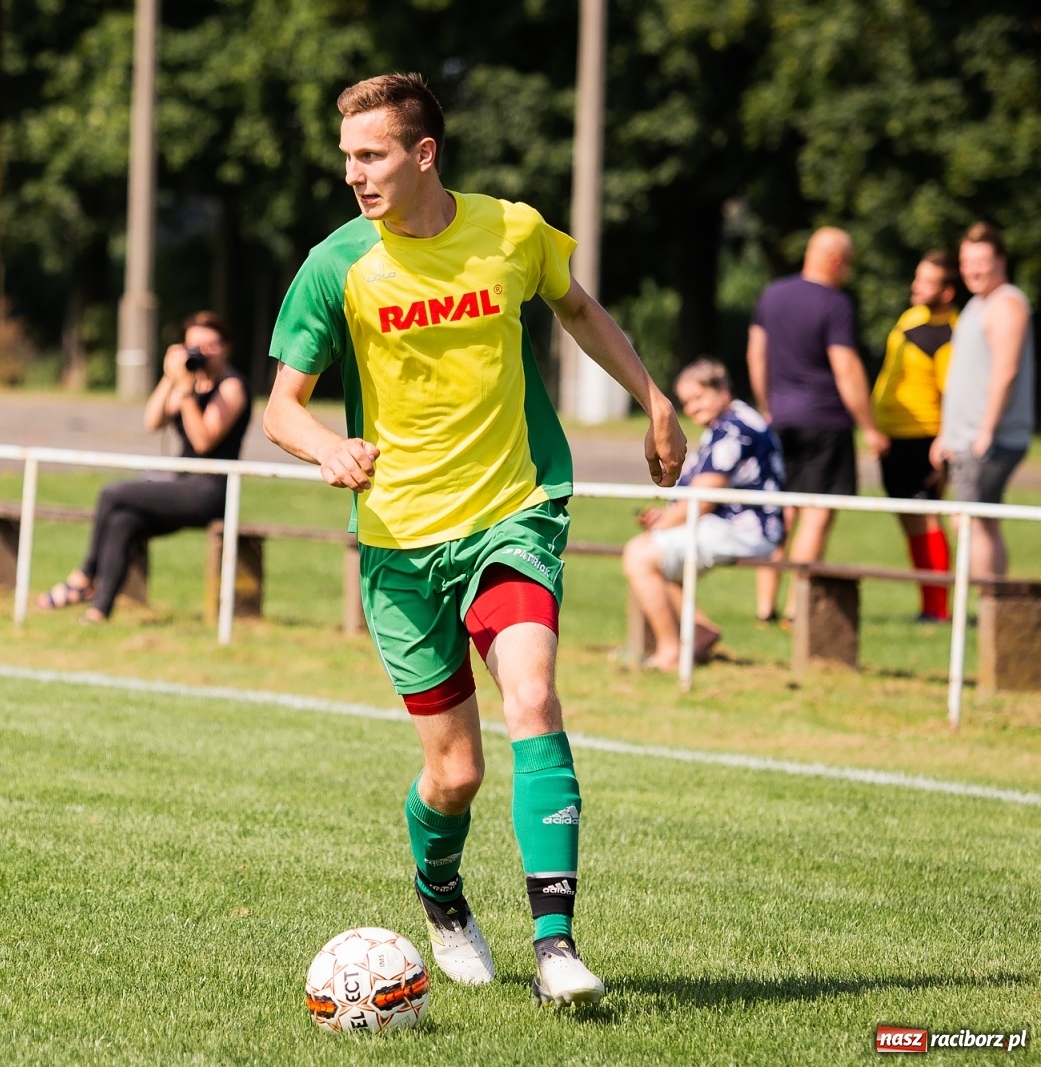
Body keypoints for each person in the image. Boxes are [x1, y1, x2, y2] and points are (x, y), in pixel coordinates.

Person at [262, 73, 686, 1008]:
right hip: (400, 539)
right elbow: (280, 407)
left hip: (512, 512)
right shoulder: (338, 264)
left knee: (532, 694)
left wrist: (654, 399)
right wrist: (328, 447)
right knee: (455, 773)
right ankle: (442, 896)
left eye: (371, 155)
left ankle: (555, 946)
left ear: (423, 155)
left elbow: (579, 310)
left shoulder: (512, 231)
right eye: (346, 157)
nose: (354, 174)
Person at [37, 311, 251, 622]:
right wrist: (170, 376)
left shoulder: (232, 387)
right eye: (194, 346)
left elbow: (204, 441)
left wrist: (186, 393)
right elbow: (152, 421)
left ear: (226, 347)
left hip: (210, 489)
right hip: (182, 484)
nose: (202, 353)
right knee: (124, 521)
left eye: (210, 345)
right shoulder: (188, 383)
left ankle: (84, 577)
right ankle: (98, 611)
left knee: (113, 493)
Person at [746, 227, 889, 623]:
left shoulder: (772, 294)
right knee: (816, 513)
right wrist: (869, 426)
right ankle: (798, 607)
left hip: (780, 419)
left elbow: (756, 354)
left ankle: (765, 606)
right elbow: (846, 368)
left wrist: (766, 405)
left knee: (779, 512)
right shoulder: (835, 303)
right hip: (825, 421)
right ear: (836, 261)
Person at [623, 360, 784, 670]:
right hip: (734, 524)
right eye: (686, 402)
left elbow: (704, 499)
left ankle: (671, 651)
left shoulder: (734, 430)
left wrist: (663, 526)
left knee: (640, 556)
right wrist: (666, 519)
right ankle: (700, 630)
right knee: (649, 555)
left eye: (698, 398)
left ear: (722, 391)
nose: (691, 408)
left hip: (748, 530)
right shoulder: (731, 422)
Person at [933, 222, 1035, 579]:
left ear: (1000, 261)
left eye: (980, 261)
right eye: (966, 262)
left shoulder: (1006, 304)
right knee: (979, 522)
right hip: (966, 437)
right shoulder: (977, 305)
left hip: (989, 439)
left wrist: (985, 431)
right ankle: (994, 604)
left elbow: (1005, 372)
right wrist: (946, 433)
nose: (972, 270)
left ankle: (990, 603)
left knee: (973, 521)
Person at [872, 251, 958, 620]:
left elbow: (954, 392)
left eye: (926, 281)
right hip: (892, 438)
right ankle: (928, 603)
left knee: (927, 518)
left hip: (925, 437)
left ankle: (937, 609)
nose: (915, 285)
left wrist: (945, 440)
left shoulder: (951, 335)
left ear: (947, 291)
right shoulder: (910, 319)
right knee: (909, 520)